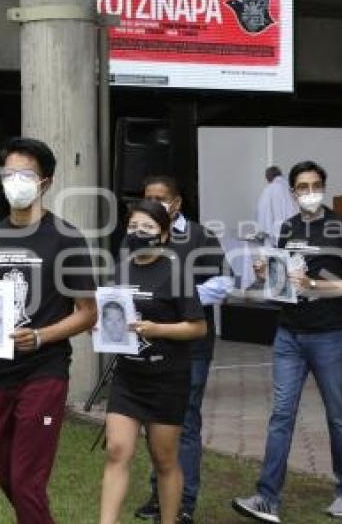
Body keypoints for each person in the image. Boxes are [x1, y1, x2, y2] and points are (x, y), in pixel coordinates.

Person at [0, 137, 97, 523]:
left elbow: (87, 313)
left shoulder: (66, 239)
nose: (14, 182)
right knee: (6, 475)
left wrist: (40, 336)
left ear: (46, 182)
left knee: (27, 482)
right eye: (8, 174)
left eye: (24, 174)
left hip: (43, 372)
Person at [233, 161, 342, 521]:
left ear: (324, 186)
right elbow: (284, 279)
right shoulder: (288, 228)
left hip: (330, 334)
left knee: (338, 416)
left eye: (316, 185)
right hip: (289, 333)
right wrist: (268, 272)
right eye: (302, 187)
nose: (310, 192)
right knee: (281, 414)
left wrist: (317, 286)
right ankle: (267, 497)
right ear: (292, 192)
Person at [100, 200, 207, 524]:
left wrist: (157, 329)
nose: (137, 233)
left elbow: (199, 327)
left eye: (146, 228)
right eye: (133, 227)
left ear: (162, 235)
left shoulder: (176, 272)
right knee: (117, 451)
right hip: (128, 378)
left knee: (164, 460)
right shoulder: (119, 269)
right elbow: (111, 314)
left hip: (166, 379)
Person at [134, 175, 229, 524]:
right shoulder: (139, 237)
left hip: (192, 345)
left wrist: (179, 296)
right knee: (154, 421)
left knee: (184, 420)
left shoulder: (201, 237)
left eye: (160, 198)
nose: (154, 203)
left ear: (176, 204)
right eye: (148, 197)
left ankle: (184, 501)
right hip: (149, 344)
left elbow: (222, 284)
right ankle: (159, 495)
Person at [255, 166, 298, 247]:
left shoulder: (269, 189)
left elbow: (262, 212)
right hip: (294, 229)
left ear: (268, 178)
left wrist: (261, 231)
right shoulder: (290, 188)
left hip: (276, 233)